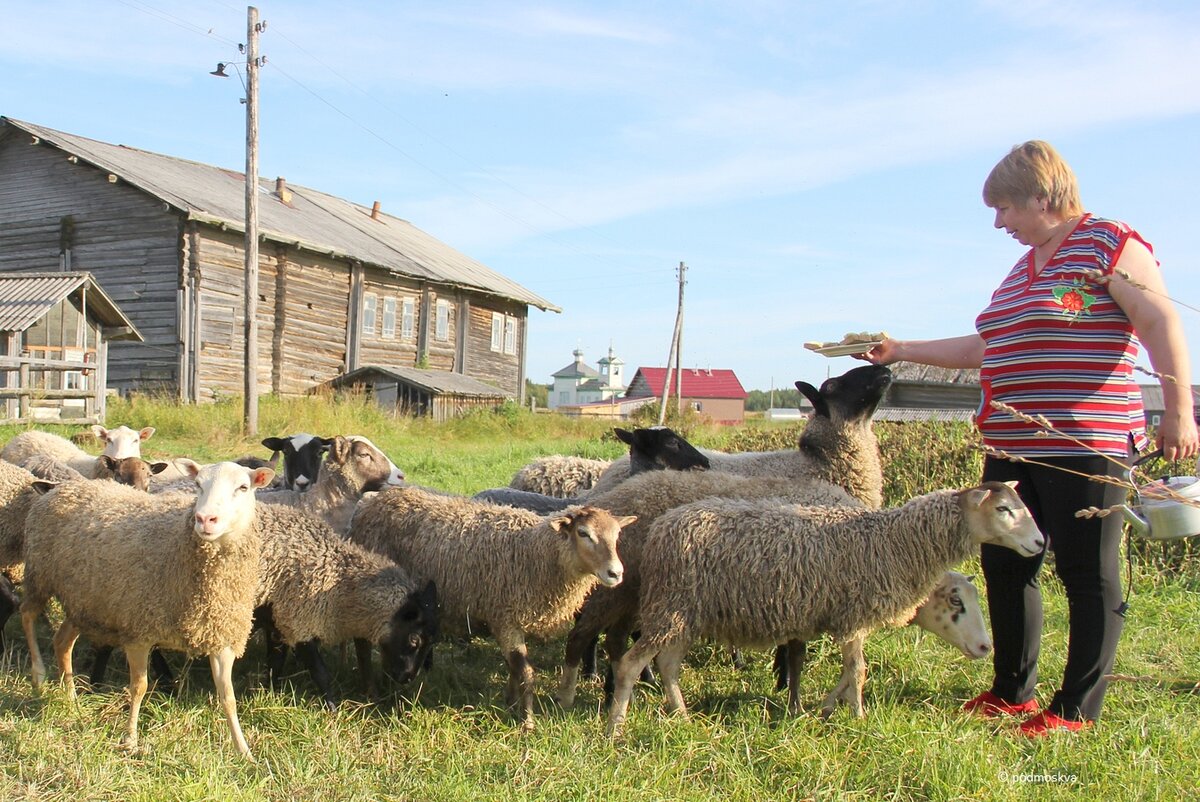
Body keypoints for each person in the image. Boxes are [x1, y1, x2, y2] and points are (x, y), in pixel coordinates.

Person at [862, 140, 1198, 736]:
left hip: (1080, 442)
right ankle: (1012, 690)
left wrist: (1179, 409)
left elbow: (1158, 321)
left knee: (1085, 570)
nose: (1000, 222)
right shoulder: (1023, 269)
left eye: (1006, 208)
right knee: (1007, 564)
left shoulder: (1111, 242)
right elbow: (982, 348)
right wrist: (902, 349)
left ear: (1042, 197)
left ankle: (1075, 712)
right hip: (1013, 445)